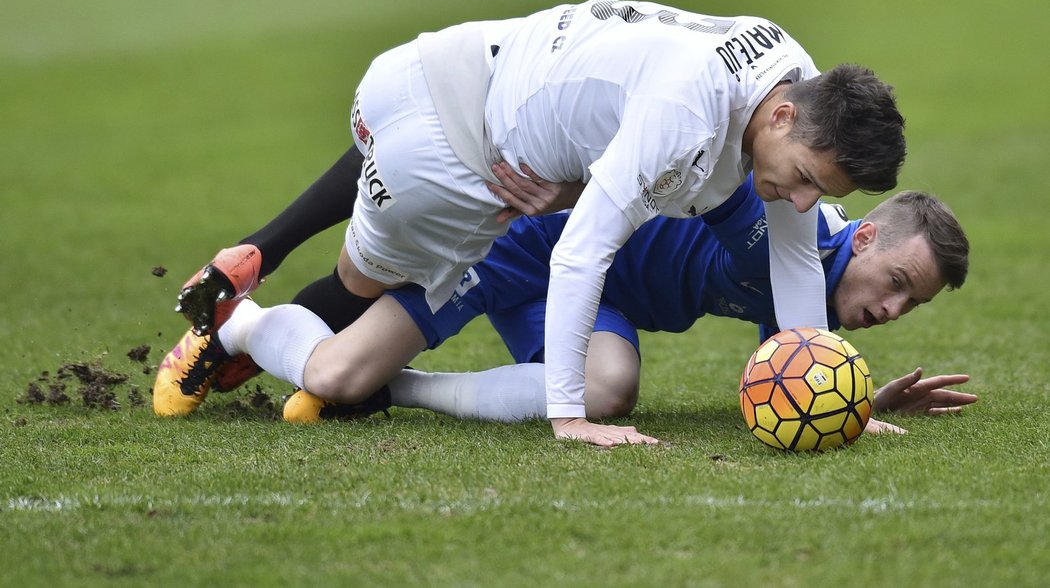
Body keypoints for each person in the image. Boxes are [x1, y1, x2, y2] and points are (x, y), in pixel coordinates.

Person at [169, 0, 907, 446]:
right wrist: (568, 417)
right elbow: (580, 254)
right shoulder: (686, 115)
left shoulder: (790, 76)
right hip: (455, 151)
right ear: (783, 117)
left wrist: (828, 394)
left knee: (367, 283)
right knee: (355, 301)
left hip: (460, 63)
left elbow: (795, 256)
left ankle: (254, 268)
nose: (805, 203)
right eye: (807, 180)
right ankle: (232, 326)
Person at [157, 179, 972, 438]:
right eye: (898, 280)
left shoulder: (816, 290)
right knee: (332, 368)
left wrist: (858, 400)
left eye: (913, 304)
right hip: (524, 245)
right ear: (862, 238)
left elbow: (790, 374)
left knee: (608, 388)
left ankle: (393, 388)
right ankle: (233, 322)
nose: (895, 307)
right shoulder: (791, 235)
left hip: (599, 287)